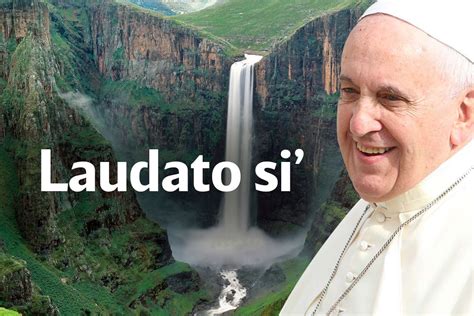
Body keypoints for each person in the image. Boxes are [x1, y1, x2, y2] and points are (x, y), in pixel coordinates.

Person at [281, 0, 474, 315]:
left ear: (464, 113)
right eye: (349, 91)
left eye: (390, 98)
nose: (358, 124)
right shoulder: (390, 194)